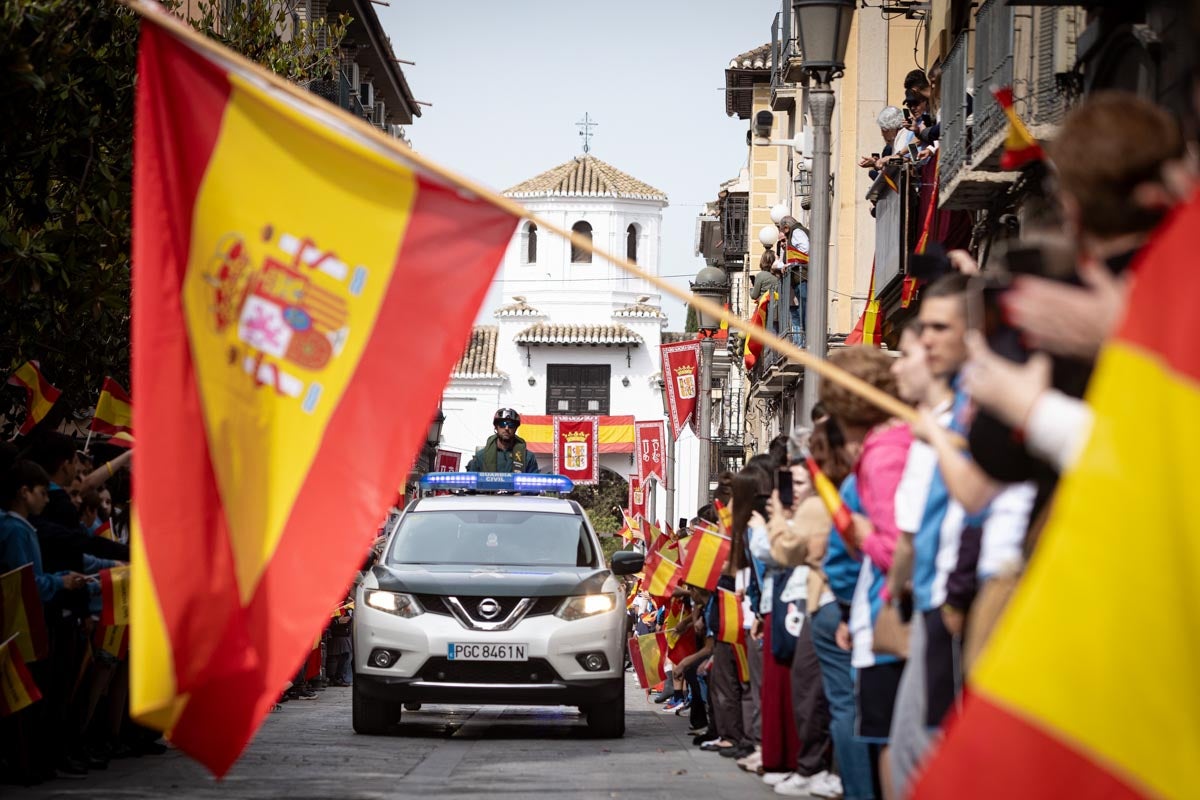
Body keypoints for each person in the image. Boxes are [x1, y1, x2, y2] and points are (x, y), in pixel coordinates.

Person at [466, 408, 540, 474]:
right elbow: (471, 484)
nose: (507, 428)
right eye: (502, 424)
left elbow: (534, 485)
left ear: (516, 428)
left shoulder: (527, 457)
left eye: (511, 425)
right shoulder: (481, 456)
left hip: (518, 490)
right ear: (496, 427)